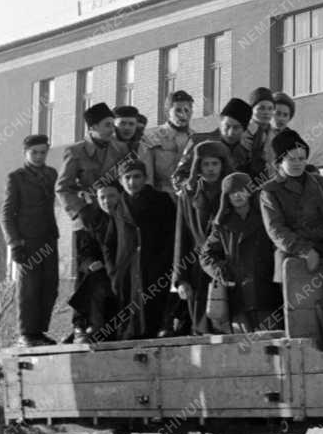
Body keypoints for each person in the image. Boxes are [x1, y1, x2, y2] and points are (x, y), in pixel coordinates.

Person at [56, 102, 129, 286]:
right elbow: (62, 187)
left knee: (115, 272)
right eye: (107, 125)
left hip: (113, 218)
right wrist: (81, 210)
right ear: (93, 127)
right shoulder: (75, 152)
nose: (112, 129)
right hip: (87, 223)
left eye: (112, 124)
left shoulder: (120, 149)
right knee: (90, 274)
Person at [260, 129, 323, 291]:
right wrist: (305, 250)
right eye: (291, 159)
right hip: (292, 257)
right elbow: (276, 229)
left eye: (302, 158)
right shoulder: (271, 190)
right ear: (279, 162)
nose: (298, 163)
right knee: (298, 312)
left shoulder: (320, 184)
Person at [0, 135, 59, 346]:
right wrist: (14, 243)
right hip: (28, 240)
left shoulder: (52, 174)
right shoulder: (16, 177)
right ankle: (26, 333)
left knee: (50, 285)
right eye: (34, 152)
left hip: (49, 237)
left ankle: (39, 331)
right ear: (25, 153)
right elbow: (6, 214)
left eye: (42, 152)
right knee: (29, 287)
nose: (38, 156)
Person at [200, 173, 276, 333]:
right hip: (237, 295)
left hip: (266, 291)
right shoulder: (222, 225)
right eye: (232, 192)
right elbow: (206, 255)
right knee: (243, 347)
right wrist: (220, 271)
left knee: (270, 344)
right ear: (226, 196)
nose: (237, 195)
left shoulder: (267, 217)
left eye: (242, 190)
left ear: (250, 192)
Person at [111, 157, 178, 337]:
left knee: (154, 310)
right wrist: (115, 271)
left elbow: (173, 235)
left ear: (145, 177)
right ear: (121, 181)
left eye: (137, 177)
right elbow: (111, 241)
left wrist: (167, 262)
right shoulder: (117, 206)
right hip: (128, 269)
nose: (132, 182)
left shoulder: (162, 201)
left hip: (156, 264)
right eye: (128, 178)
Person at [172, 140, 231, 335]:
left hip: (228, 265)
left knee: (229, 324)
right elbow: (182, 236)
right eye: (206, 164)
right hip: (197, 267)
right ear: (198, 166)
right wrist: (180, 279)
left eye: (215, 164)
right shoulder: (188, 194)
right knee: (201, 325)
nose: (210, 169)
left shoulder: (233, 190)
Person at [67, 180, 121, 343]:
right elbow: (84, 253)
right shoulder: (91, 219)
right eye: (102, 197)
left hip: (123, 268)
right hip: (102, 269)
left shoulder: (125, 217)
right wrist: (92, 263)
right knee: (91, 276)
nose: (107, 201)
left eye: (111, 196)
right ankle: (84, 325)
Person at [171, 97, 251, 194]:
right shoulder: (199, 142)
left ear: (244, 130)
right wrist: (193, 190)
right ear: (220, 123)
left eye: (236, 128)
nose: (230, 133)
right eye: (227, 126)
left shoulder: (245, 154)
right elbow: (178, 177)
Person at [141, 90, 195, 195]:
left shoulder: (196, 138)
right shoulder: (152, 138)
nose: (183, 115)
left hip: (188, 199)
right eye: (178, 110)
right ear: (167, 112)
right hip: (162, 198)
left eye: (187, 110)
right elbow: (148, 178)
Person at [243, 86, 277, 183]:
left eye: (270, 109)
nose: (266, 112)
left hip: (268, 184)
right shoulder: (243, 133)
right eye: (261, 108)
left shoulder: (274, 135)